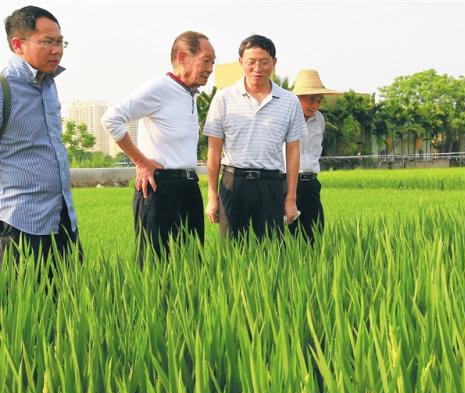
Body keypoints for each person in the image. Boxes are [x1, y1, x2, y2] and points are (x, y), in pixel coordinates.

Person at [101, 31, 215, 262]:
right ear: (183, 57)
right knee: (154, 262)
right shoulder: (160, 87)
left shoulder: (189, 94)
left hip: (189, 185)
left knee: (191, 261)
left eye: (213, 62)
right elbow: (111, 119)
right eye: (206, 60)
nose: (211, 68)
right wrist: (141, 161)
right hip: (159, 186)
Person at [203, 34, 306, 240]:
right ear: (241, 62)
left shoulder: (289, 101)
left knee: (271, 250)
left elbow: (293, 152)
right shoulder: (223, 98)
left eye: (264, 62)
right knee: (232, 251)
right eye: (251, 62)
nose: (257, 69)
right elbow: (214, 151)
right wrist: (212, 195)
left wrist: (291, 198)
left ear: (274, 63)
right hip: (233, 182)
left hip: (271, 184)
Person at [0, 6, 81, 267]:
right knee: (25, 306)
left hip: (63, 221)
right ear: (18, 45)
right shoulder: (4, 88)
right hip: (19, 226)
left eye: (60, 42)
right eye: (47, 42)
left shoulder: (49, 84)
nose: (57, 50)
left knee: (68, 305)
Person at [290, 69, 340, 242]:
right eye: (311, 99)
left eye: (318, 100)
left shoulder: (319, 119)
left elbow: (315, 151)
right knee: (288, 238)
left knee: (315, 236)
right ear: (298, 97)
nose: (315, 105)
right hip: (287, 183)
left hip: (310, 184)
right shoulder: (285, 118)